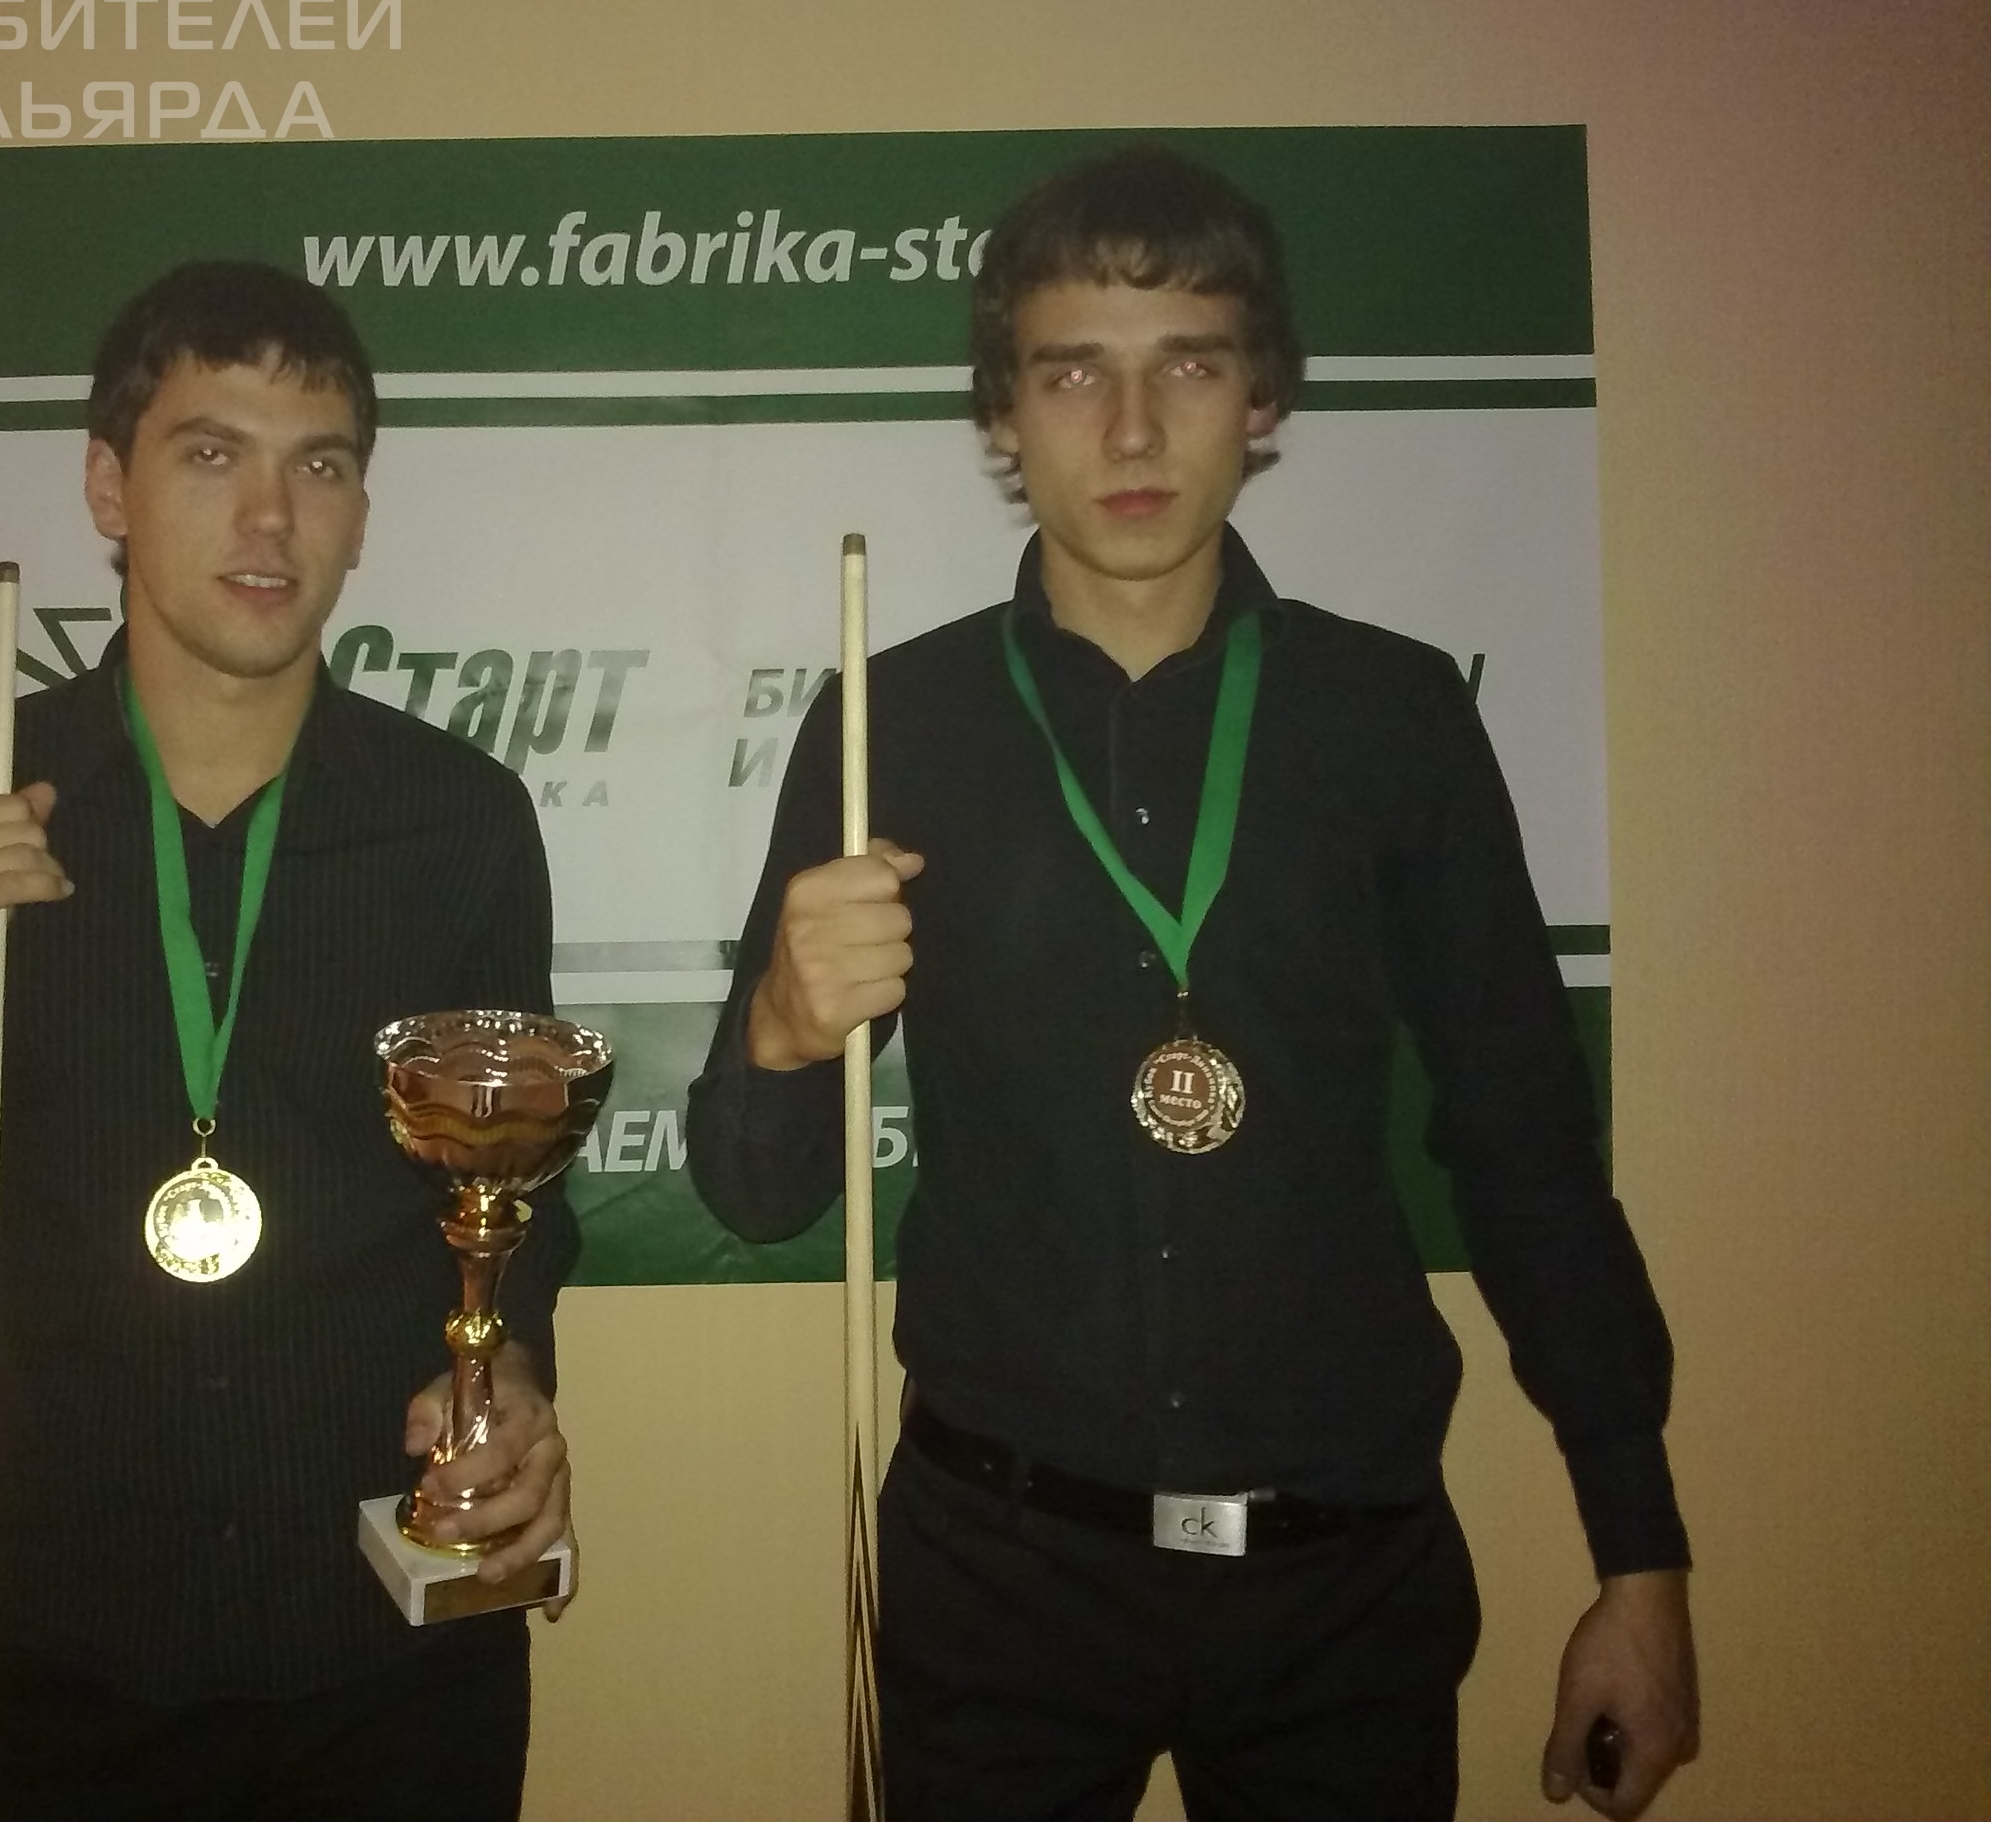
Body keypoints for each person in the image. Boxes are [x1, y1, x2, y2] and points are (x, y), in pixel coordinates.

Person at [686, 145, 1699, 1822]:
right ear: (1003, 415)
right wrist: (785, 1038)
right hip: (997, 1583)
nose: (1135, 430)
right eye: (1074, 371)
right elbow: (757, 1192)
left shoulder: (1396, 723)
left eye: (1191, 365)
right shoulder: (891, 724)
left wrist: (1640, 1557)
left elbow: (1527, 1156)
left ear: (1264, 396)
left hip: (1341, 1590)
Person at [0, 261, 574, 1821]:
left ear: (360, 508)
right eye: (212, 454)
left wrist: (513, 1385)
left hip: (393, 1659)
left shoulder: (463, 823)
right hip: (78, 1662)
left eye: (320, 465)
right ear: (111, 486)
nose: (271, 517)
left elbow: (515, 1209)